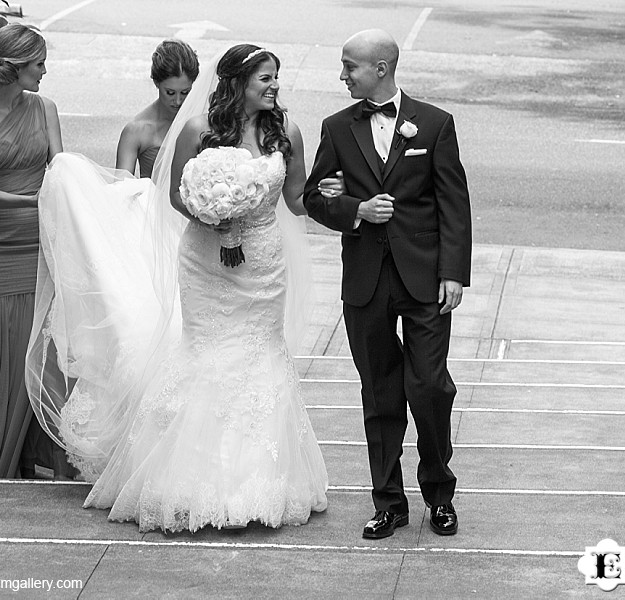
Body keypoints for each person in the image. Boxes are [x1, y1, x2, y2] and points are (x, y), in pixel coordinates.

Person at [27, 44, 347, 532]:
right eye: (265, 78)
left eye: (276, 78)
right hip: (206, 263)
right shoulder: (199, 131)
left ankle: (255, 483)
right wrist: (213, 216)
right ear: (238, 82)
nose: (275, 86)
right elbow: (175, 194)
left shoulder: (287, 132)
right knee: (205, 351)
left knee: (260, 352)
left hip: (263, 264)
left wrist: (329, 194)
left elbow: (297, 200)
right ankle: (192, 482)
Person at [303, 29, 472, 538]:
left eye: (349, 66)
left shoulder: (436, 124)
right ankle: (388, 503)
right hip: (366, 284)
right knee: (379, 395)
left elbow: (453, 204)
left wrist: (453, 274)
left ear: (381, 68)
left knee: (429, 388)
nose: (342, 75)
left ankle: (439, 494)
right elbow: (314, 197)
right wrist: (356, 209)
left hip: (425, 281)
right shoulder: (336, 128)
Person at [0, 23, 74, 479]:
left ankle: (49, 453)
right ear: (16, 67)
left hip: (40, 241)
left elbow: (60, 172)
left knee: (45, 348)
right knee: (6, 345)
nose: (45, 72)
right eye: (39, 64)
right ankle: (5, 453)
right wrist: (35, 201)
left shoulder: (46, 108)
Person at [116, 39, 199, 177]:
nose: (178, 101)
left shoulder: (200, 120)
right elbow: (121, 188)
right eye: (170, 93)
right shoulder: (136, 130)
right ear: (156, 82)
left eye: (185, 92)